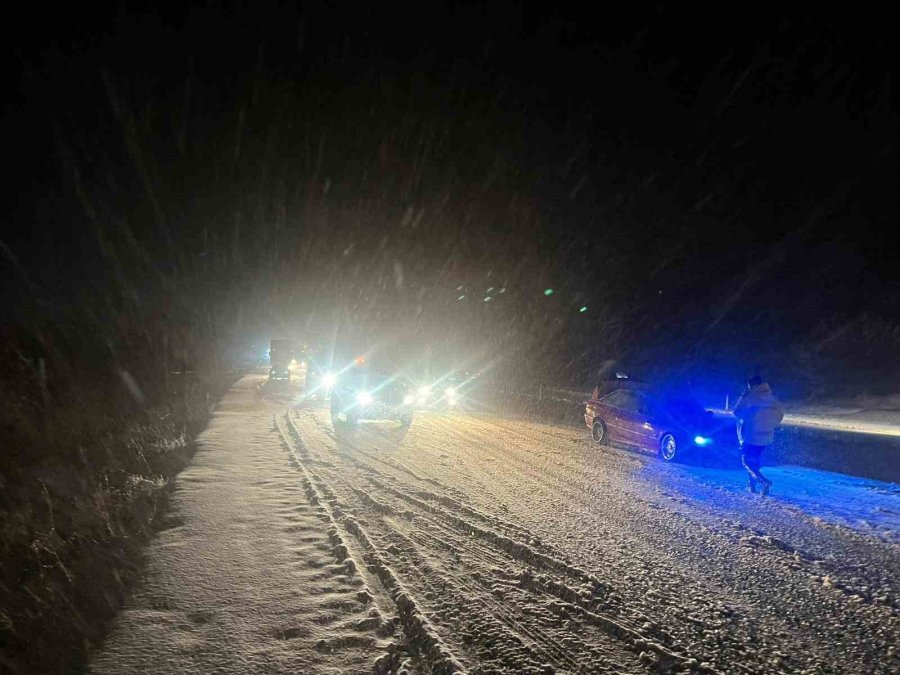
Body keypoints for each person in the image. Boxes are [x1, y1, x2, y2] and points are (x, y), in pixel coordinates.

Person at [733, 375, 784, 496]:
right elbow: (779, 417)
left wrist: (742, 398)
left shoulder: (749, 397)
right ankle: (752, 486)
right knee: (755, 459)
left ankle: (763, 481)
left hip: (751, 436)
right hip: (766, 436)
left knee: (746, 460)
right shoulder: (772, 399)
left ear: (751, 385)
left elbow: (737, 413)